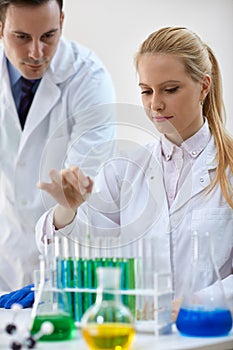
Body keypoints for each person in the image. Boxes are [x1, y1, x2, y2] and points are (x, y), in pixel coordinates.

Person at [3, 26, 233, 320]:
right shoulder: (124, 170)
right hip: (141, 336)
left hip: (209, 336)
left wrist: (198, 302)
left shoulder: (228, 170)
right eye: (146, 91)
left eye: (170, 89)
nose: (155, 104)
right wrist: (67, 208)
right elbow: (82, 253)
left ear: (203, 86)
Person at [0, 0, 116, 292]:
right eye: (22, 37)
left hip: (61, 262)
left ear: (62, 21)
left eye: (49, 36)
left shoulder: (88, 78)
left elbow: (80, 190)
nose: (37, 53)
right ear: (0, 28)